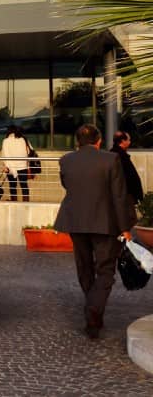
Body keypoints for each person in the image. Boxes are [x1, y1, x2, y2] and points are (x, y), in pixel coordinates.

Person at [54, 124, 136, 339]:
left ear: (77, 141)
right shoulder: (111, 159)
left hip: (76, 221)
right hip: (105, 222)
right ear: (98, 141)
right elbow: (119, 195)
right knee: (106, 269)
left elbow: (67, 185)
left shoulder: (66, 160)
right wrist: (125, 228)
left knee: (84, 267)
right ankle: (94, 308)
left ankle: (94, 316)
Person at [111, 131, 145, 206]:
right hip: (125, 195)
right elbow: (131, 176)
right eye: (129, 140)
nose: (130, 142)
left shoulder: (111, 154)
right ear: (123, 141)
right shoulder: (122, 156)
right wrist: (138, 195)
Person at [1, 125, 31, 202]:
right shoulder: (23, 140)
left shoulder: (6, 141)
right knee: (24, 185)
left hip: (10, 167)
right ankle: (26, 202)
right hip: (22, 166)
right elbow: (29, 152)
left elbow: (4, 154)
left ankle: (14, 202)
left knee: (12, 185)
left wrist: (5, 165)